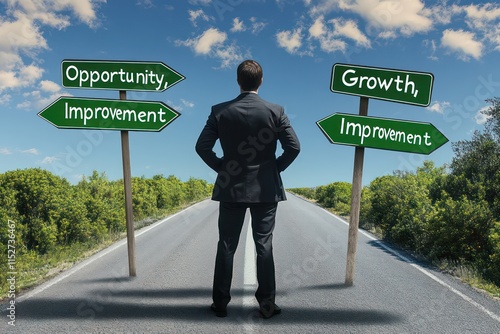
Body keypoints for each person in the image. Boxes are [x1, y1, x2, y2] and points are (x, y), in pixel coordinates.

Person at [195, 59, 300, 319]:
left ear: (238, 81)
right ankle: (266, 304)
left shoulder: (219, 111)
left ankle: (220, 304)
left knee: (226, 245)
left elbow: (202, 147)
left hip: (230, 187)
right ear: (260, 81)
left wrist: (223, 168)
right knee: (264, 244)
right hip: (265, 189)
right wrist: (275, 169)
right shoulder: (276, 111)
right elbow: (294, 147)